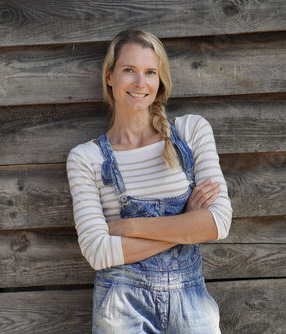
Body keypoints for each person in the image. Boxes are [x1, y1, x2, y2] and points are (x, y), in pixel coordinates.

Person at [66, 28, 232, 333]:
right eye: (129, 70)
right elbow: (98, 252)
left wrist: (129, 228)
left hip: (191, 301)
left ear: (160, 80)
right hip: (121, 306)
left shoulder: (191, 132)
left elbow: (218, 222)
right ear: (110, 76)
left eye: (150, 72)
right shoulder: (86, 158)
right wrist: (187, 224)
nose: (140, 83)